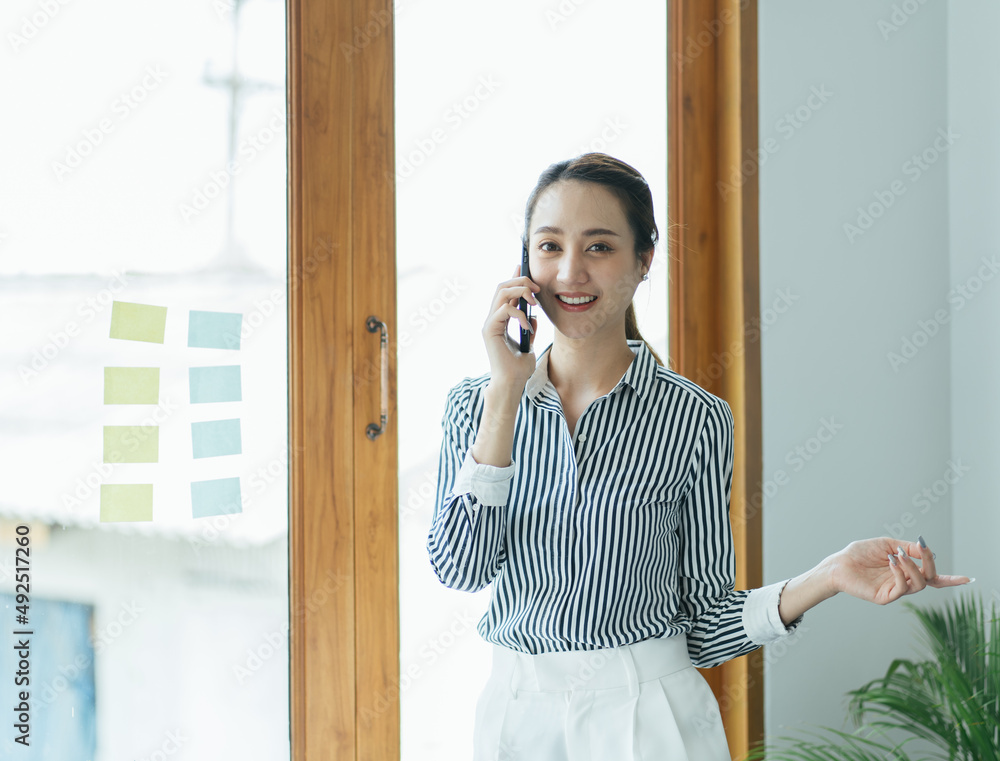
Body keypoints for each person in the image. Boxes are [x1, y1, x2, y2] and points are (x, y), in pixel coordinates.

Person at [425, 152, 972, 760]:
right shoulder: (475, 406)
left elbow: (707, 621)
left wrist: (829, 575)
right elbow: (460, 568)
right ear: (525, 265)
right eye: (549, 247)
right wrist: (504, 394)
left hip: (650, 719)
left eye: (600, 247)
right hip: (517, 719)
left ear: (643, 261)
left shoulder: (696, 419)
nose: (571, 272)